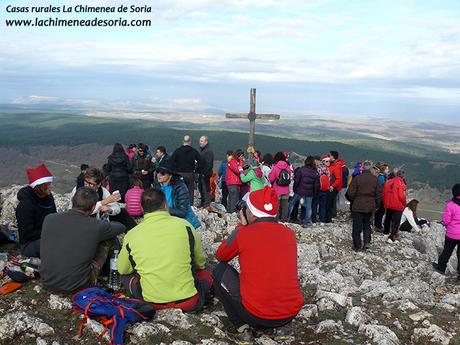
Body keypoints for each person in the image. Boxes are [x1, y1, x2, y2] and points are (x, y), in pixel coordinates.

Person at [213, 186, 304, 344]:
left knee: (218, 270)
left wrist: (241, 226)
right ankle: (283, 328)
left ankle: (242, 328)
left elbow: (221, 255)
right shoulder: (289, 233)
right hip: (290, 313)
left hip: (256, 314)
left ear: (252, 213)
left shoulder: (244, 234)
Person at [118, 188, 212, 311]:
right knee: (207, 272)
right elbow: (200, 263)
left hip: (152, 304)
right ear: (166, 205)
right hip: (189, 302)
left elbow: (122, 269)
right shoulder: (185, 226)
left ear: (142, 209)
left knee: (125, 277)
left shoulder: (132, 234)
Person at [40, 187, 126, 293]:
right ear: (94, 207)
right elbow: (121, 227)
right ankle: (115, 273)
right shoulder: (95, 226)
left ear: (72, 201)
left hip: (48, 281)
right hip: (79, 286)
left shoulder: (49, 218)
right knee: (109, 238)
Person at [16, 164, 57, 257]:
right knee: (57, 242)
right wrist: (49, 232)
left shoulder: (49, 198)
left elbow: (54, 216)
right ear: (39, 186)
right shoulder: (25, 205)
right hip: (29, 244)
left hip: (47, 235)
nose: (52, 186)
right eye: (49, 184)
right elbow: (27, 234)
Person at [153, 159, 201, 229]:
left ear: (170, 175)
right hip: (168, 221)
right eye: (157, 172)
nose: (159, 175)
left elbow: (182, 212)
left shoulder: (180, 187)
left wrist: (165, 209)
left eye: (162, 173)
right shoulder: (157, 186)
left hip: (185, 223)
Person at [346, 160, 382, 251]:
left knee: (357, 226)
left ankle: (357, 245)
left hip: (358, 205)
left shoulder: (357, 178)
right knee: (367, 225)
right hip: (370, 206)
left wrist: (354, 200)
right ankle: (366, 242)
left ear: (363, 167)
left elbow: (350, 193)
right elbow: (379, 194)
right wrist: (377, 205)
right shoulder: (375, 179)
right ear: (370, 168)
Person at [432, 184, 460, 280]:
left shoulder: (450, 205)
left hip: (452, 234)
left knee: (447, 251)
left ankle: (441, 268)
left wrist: (443, 223)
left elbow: (446, 220)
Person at [288, 156, 319, 228]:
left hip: (300, 190)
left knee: (291, 203)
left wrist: (295, 189)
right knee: (309, 207)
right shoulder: (315, 172)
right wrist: (314, 193)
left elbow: (297, 181)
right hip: (310, 192)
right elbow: (316, 185)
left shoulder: (301, 170)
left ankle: (287, 217)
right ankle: (306, 223)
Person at [171, 135, 201, 205]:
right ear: (190, 142)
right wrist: (196, 170)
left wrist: (174, 172)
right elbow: (200, 161)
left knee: (179, 189)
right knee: (190, 190)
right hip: (190, 173)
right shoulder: (194, 151)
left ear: (183, 142)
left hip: (179, 173)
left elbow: (172, 162)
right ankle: (189, 205)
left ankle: (178, 204)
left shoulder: (177, 151)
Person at [383, 169, 407, 243]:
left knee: (388, 219)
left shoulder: (388, 182)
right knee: (396, 222)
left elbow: (384, 193)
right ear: (402, 176)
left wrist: (385, 203)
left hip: (388, 204)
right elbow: (401, 196)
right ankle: (392, 237)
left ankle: (386, 233)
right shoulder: (401, 183)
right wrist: (404, 203)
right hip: (397, 205)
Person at [269, 152, 293, 221]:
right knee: (285, 205)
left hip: (277, 189)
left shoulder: (275, 167)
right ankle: (284, 219)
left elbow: (271, 178)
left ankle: (276, 219)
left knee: (277, 205)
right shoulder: (287, 166)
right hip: (286, 189)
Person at [326, 150, 344, 222]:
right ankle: (328, 218)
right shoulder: (334, 165)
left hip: (332, 188)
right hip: (332, 187)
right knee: (330, 203)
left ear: (333, 157)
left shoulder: (336, 166)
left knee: (329, 203)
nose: (329, 157)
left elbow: (338, 178)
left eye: (330, 155)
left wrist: (332, 186)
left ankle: (327, 218)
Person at [312, 156, 329, 225]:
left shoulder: (317, 169)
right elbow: (329, 179)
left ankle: (314, 220)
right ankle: (322, 220)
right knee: (323, 205)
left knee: (314, 205)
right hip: (325, 189)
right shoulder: (327, 169)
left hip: (318, 189)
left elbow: (314, 179)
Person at [226, 149, 244, 213]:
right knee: (234, 197)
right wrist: (241, 163)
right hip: (233, 182)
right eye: (241, 156)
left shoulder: (235, 162)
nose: (242, 158)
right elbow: (237, 170)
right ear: (237, 156)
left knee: (232, 197)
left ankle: (230, 210)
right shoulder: (232, 162)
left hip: (234, 182)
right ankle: (232, 211)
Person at [198, 136, 214, 208]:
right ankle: (203, 202)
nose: (200, 142)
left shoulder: (208, 151)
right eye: (200, 141)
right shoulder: (203, 150)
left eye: (202, 141)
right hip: (201, 173)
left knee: (205, 189)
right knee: (201, 188)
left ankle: (206, 204)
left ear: (206, 142)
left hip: (205, 174)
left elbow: (209, 164)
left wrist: (205, 173)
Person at [374, 162, 389, 232]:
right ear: (384, 169)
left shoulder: (380, 176)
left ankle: (377, 224)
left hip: (380, 196)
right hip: (381, 196)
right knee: (381, 211)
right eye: (387, 169)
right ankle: (378, 225)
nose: (388, 170)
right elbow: (382, 188)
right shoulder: (382, 177)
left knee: (379, 211)